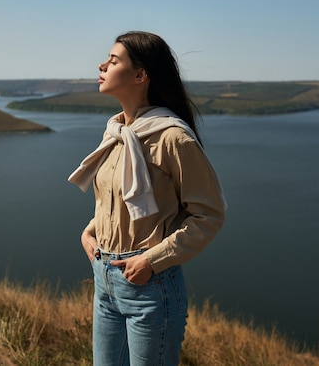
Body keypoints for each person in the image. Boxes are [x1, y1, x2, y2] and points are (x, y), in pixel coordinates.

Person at [68, 31, 226, 366]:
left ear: (140, 75)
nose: (101, 65)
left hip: (150, 286)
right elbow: (121, 200)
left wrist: (151, 260)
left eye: (113, 61)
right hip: (105, 280)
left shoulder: (172, 137)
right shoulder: (117, 131)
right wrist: (89, 231)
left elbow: (209, 215)